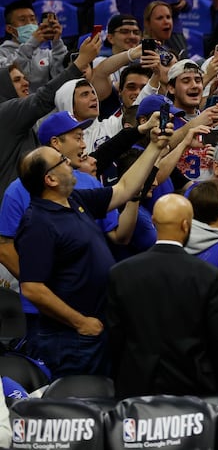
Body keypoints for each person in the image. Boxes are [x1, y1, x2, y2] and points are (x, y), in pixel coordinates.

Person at [14, 122, 172, 378]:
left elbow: (123, 189)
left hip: (95, 331)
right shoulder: (38, 224)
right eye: (62, 161)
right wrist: (80, 322)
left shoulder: (74, 200)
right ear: (50, 179)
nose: (70, 162)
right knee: (80, 407)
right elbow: (32, 288)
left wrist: (154, 147)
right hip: (72, 339)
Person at [106, 194, 218, 398]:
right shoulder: (208, 276)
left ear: (153, 222)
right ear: (186, 225)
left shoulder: (120, 273)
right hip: (193, 387)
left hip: (135, 385)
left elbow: (115, 337)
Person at [0, 36, 100, 199]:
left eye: (25, 78)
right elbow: (42, 99)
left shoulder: (17, 121)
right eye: (17, 80)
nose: (26, 83)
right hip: (16, 209)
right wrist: (79, 63)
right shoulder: (6, 113)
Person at [0, 0, 66, 93]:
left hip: (44, 104)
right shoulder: (2, 53)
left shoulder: (47, 53)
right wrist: (31, 44)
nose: (29, 24)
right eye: (22, 20)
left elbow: (61, 79)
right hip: (13, 105)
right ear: (10, 29)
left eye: (32, 19)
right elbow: (7, 78)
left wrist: (57, 42)